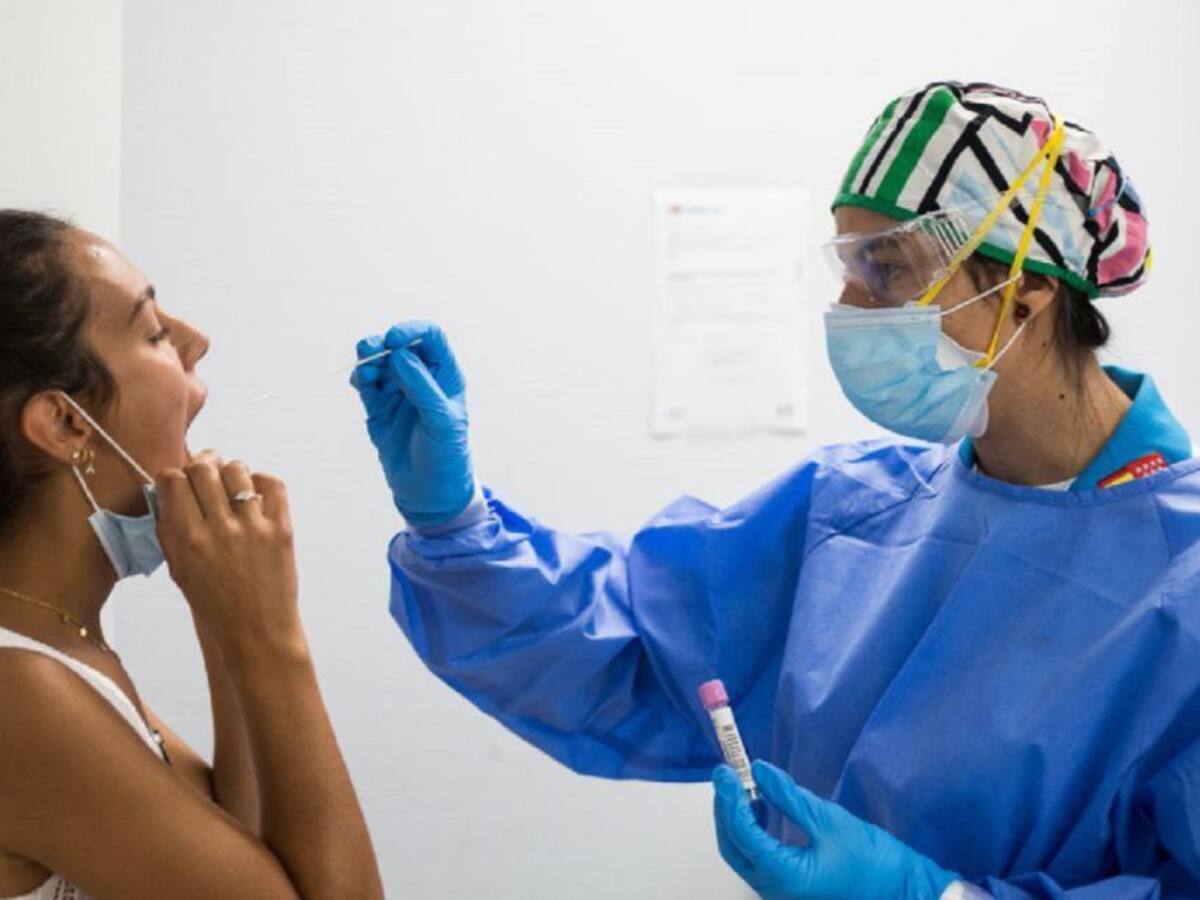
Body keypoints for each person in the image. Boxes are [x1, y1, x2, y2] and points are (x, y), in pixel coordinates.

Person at [351, 82, 1200, 897]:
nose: (849, 305)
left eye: (887, 267)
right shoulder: (853, 512)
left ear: (1030, 287)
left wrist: (931, 895)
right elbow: (627, 646)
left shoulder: (1182, 583)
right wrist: (454, 521)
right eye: (847, 266)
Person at [0, 210, 382, 899]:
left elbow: (237, 845)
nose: (196, 340)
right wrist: (270, 636)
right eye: (153, 332)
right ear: (65, 423)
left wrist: (223, 611)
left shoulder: (62, 642)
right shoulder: (20, 695)